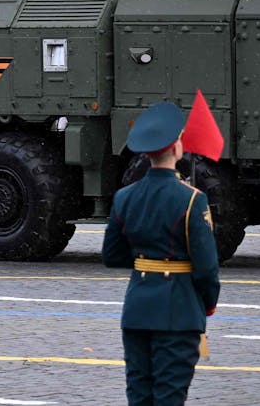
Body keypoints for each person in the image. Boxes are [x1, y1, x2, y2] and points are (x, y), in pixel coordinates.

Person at [102, 101, 220, 406]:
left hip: (138, 310)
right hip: (179, 312)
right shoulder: (193, 199)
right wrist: (206, 305)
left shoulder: (124, 197)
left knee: (139, 396)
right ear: (177, 147)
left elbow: (112, 255)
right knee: (169, 396)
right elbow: (207, 268)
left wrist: (147, 261)